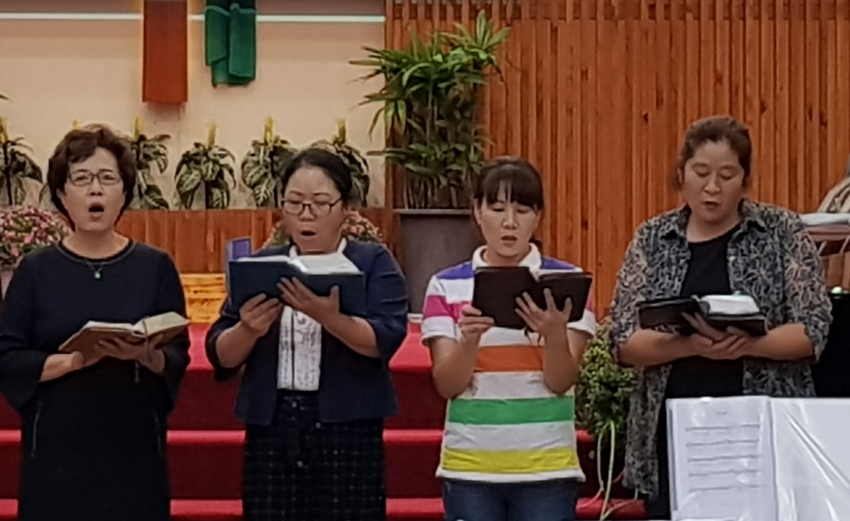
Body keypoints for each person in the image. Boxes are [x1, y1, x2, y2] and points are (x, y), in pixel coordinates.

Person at [607, 115, 832, 517]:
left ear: (745, 180)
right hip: (675, 431)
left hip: (764, 433)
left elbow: (813, 329)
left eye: (727, 175)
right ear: (681, 173)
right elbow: (622, 340)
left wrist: (748, 345)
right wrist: (688, 345)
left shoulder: (782, 231)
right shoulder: (653, 238)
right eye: (701, 172)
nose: (712, 187)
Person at [205, 148, 408, 521]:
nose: (306, 214)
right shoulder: (262, 266)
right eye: (295, 203)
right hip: (274, 424)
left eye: (320, 203)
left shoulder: (372, 262)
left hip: (348, 425)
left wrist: (329, 318)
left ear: (345, 209)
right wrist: (248, 329)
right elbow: (221, 353)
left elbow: (386, 338)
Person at [0, 124, 191, 521]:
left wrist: (144, 355)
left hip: (133, 443)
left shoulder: (155, 266)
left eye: (107, 178)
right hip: (57, 444)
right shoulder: (35, 270)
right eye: (82, 179)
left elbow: (177, 353)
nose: (95, 190)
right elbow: (8, 356)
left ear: (125, 192)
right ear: (61, 194)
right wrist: (72, 361)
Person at [421, 157, 597, 521]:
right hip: (471, 467)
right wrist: (469, 340)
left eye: (522, 209)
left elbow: (561, 381)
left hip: (547, 466)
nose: (510, 222)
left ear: (538, 216)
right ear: (477, 211)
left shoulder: (568, 284)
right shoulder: (446, 286)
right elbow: (447, 384)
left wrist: (554, 334)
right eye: (497, 208)